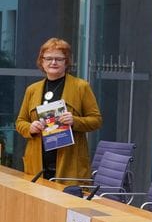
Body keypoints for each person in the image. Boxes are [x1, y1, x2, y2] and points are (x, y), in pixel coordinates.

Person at [15, 37, 102, 182]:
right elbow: (20, 122)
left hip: (69, 163)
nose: (53, 62)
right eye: (48, 58)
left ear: (66, 62)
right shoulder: (32, 89)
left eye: (59, 59)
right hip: (38, 163)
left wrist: (75, 121)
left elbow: (96, 120)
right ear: (41, 62)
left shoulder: (81, 87)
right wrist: (30, 127)